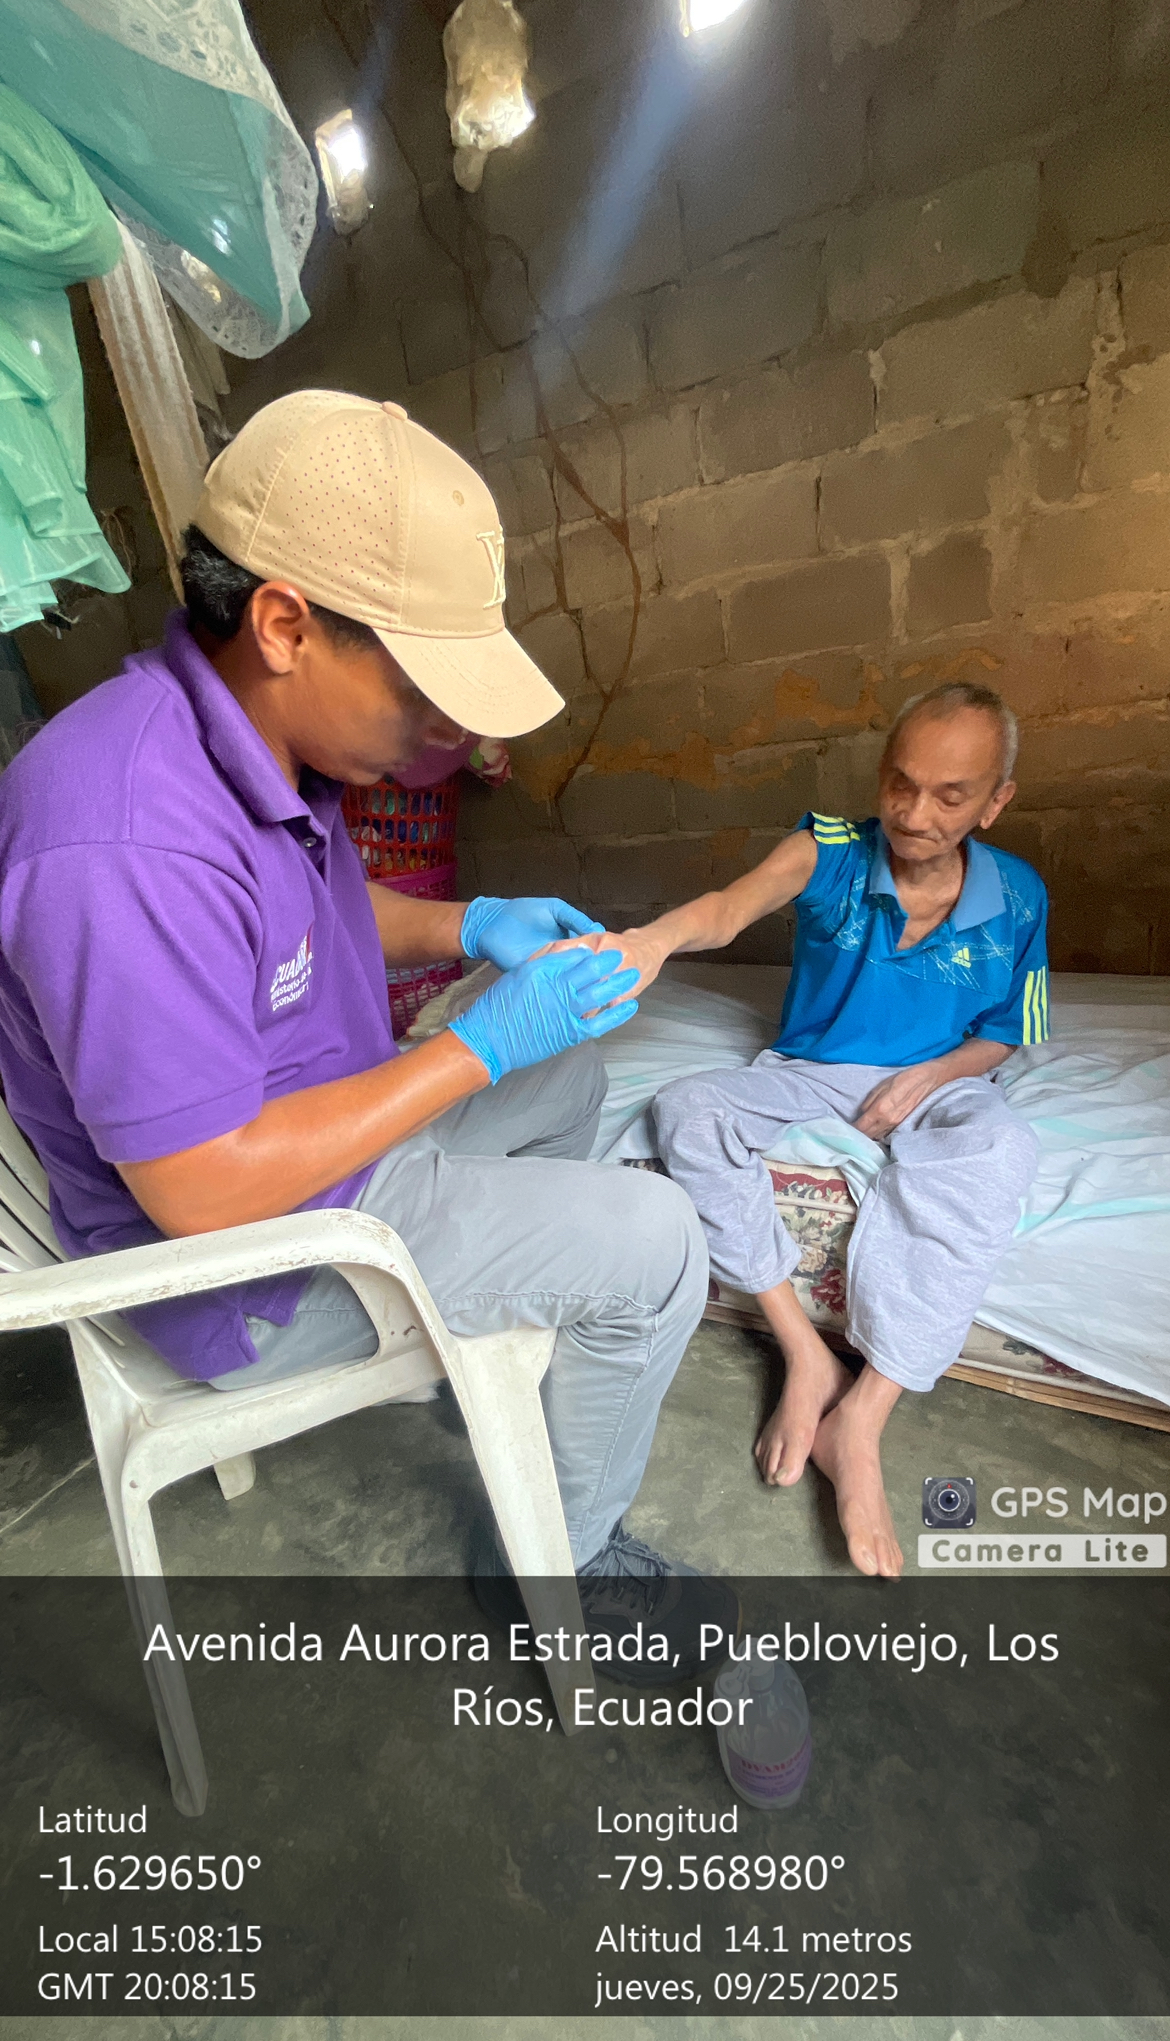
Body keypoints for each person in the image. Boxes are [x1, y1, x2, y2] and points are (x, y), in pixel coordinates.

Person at [0, 390, 734, 1669]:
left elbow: (306, 916)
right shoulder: (118, 839)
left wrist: (469, 925)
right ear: (286, 624)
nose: (450, 733)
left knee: (572, 1080)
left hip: (323, 1155)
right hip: (251, 1275)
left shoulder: (268, 744)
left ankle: (478, 1340)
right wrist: (470, 1047)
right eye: (423, 690)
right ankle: (562, 1563)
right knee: (662, 1243)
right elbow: (202, 1191)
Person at [590, 683, 1045, 1579]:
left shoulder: (1019, 894)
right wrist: (650, 942)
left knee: (1002, 1149)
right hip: (811, 1069)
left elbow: (1006, 1031)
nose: (914, 813)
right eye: (900, 783)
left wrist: (927, 1078)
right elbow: (728, 906)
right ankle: (805, 1355)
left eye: (950, 796)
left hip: (941, 1078)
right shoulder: (829, 850)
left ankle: (862, 1419)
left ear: (995, 802)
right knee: (686, 1110)